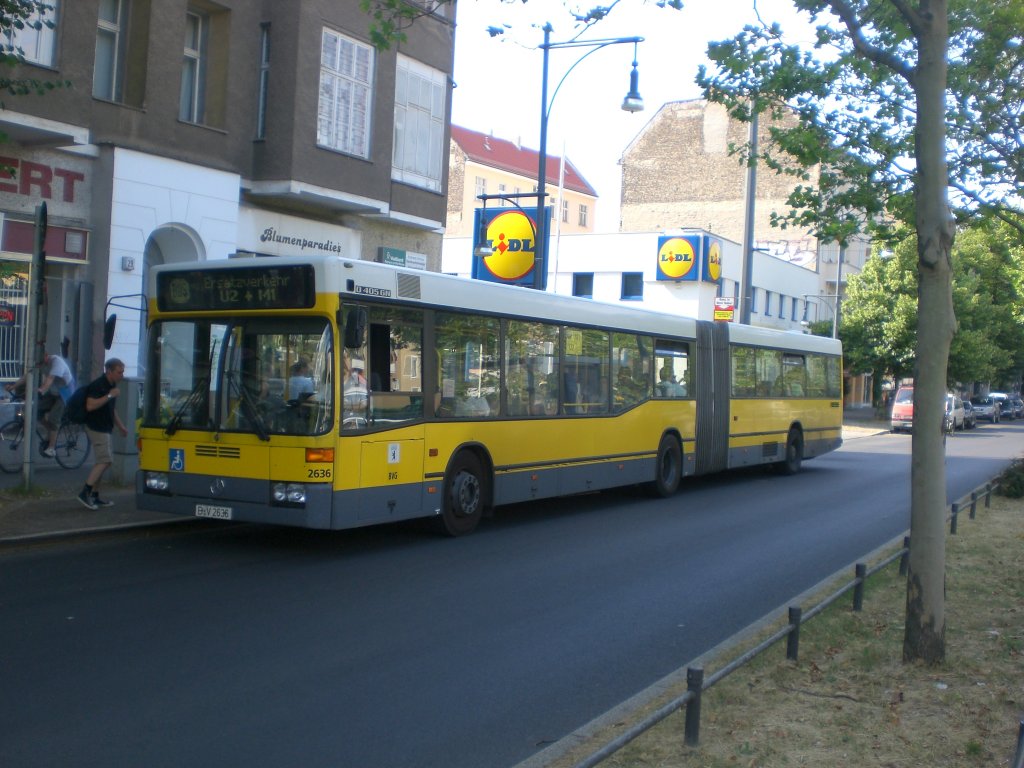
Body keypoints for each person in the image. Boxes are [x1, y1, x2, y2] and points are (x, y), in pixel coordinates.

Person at [77, 358, 129, 510]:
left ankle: (94, 495)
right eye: (119, 372)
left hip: (105, 427)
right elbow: (90, 405)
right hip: (96, 427)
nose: (122, 375)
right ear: (109, 371)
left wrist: (121, 426)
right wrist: (110, 396)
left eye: (122, 372)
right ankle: (85, 492)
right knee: (105, 461)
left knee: (103, 461)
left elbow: (111, 409)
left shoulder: (111, 385)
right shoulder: (99, 385)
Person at [4, 352, 75, 457]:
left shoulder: (57, 362)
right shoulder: (40, 362)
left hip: (65, 393)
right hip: (53, 392)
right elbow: (27, 376)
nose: (40, 365)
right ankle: (50, 430)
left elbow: (50, 379)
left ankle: (51, 448)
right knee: (35, 411)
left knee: (53, 418)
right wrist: (13, 386)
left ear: (46, 356)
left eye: (42, 362)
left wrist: (41, 389)